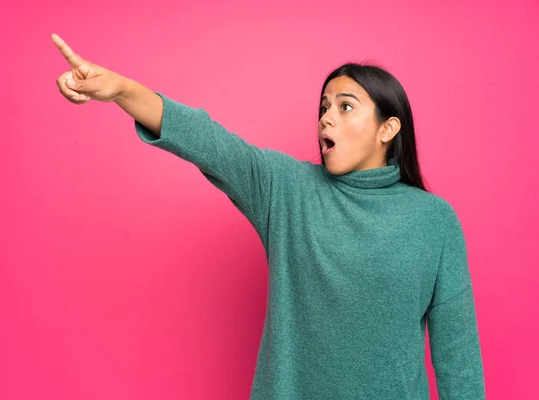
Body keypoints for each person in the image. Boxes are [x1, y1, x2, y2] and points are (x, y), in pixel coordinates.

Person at [51, 33, 486, 399]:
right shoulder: (288, 189)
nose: (325, 120)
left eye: (345, 107)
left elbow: (459, 361)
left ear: (388, 129)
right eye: (324, 107)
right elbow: (209, 141)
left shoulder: (434, 221)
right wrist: (124, 91)